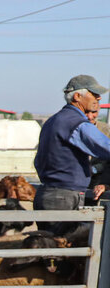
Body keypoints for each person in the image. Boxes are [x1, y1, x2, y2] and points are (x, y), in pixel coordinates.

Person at [33, 75, 110, 221]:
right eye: (94, 94)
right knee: (61, 242)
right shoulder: (76, 123)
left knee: (48, 242)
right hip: (63, 197)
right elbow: (106, 147)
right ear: (77, 96)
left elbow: (39, 161)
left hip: (48, 193)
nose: (99, 98)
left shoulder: (53, 120)